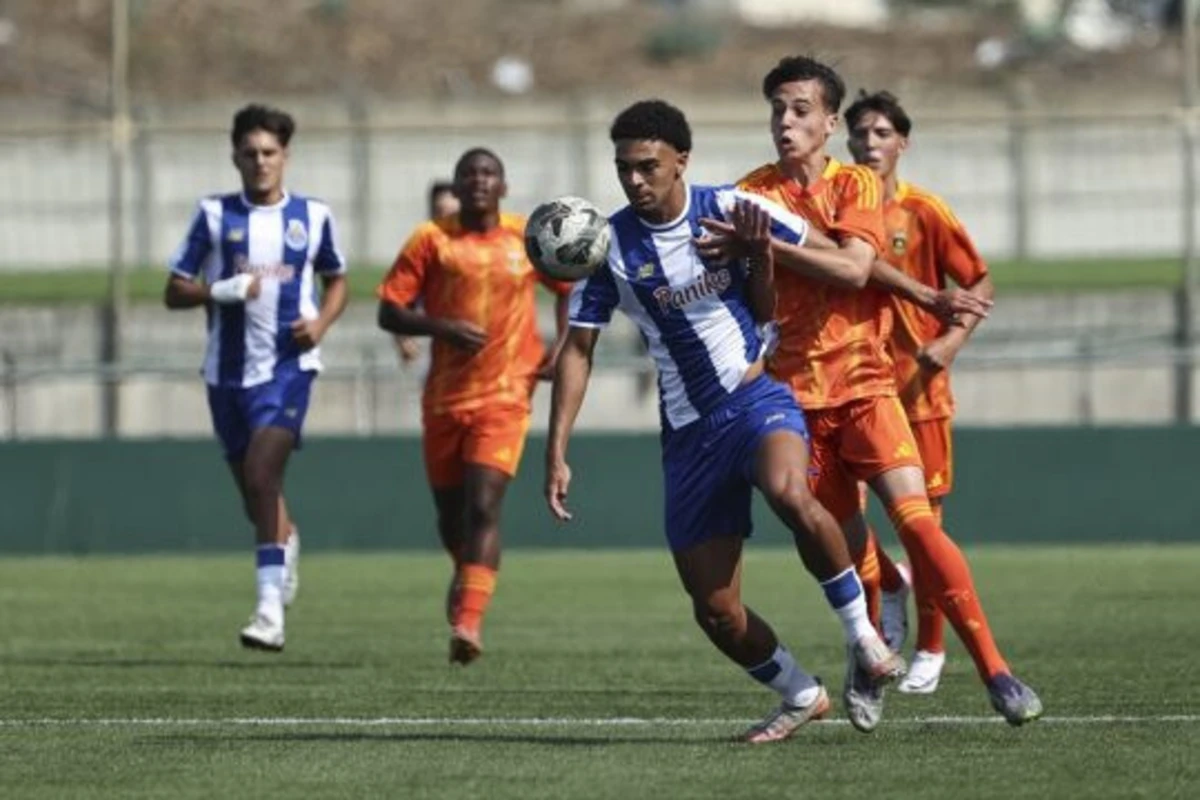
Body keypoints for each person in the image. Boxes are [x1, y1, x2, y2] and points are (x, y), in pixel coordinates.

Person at [545, 99, 904, 745]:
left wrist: (761, 253)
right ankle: (801, 693)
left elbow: (842, 261)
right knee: (715, 611)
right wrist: (556, 451)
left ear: (682, 160)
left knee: (791, 491)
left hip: (756, 397)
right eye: (624, 168)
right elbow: (578, 348)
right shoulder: (610, 248)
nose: (634, 180)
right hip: (687, 434)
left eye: (647, 166)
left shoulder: (736, 209)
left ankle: (865, 638)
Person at [726, 55, 1040, 729]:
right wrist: (753, 260)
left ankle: (995, 669)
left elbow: (853, 271)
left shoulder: (858, 186)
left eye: (801, 110)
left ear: (830, 122)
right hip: (794, 401)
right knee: (845, 546)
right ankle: (867, 650)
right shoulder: (750, 192)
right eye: (777, 110)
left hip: (869, 382)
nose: (786, 122)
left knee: (919, 521)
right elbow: (758, 301)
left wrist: (771, 246)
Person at [164, 103, 349, 652]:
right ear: (235, 158)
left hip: (289, 371)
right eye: (250, 154)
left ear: (285, 156)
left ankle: (269, 612)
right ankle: (284, 544)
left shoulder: (313, 216)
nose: (260, 162)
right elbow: (174, 288)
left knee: (264, 475)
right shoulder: (215, 216)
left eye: (269, 152)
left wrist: (321, 324)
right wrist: (216, 290)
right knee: (255, 493)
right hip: (225, 375)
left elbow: (338, 279)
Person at [377, 148, 570, 665]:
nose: (479, 182)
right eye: (469, 175)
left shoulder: (526, 237)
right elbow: (389, 311)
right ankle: (467, 575)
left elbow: (570, 288)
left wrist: (561, 346)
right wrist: (440, 327)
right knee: (450, 516)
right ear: (456, 186)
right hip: (444, 398)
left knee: (484, 505)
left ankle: (468, 623)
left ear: (503, 186)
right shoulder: (431, 239)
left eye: (489, 174)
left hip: (508, 394)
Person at [846, 89, 996, 694]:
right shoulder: (840, 207)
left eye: (882, 133)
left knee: (925, 527)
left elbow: (979, 279)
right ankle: (889, 587)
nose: (870, 143)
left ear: (902, 142)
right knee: (843, 522)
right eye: (860, 133)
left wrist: (951, 343)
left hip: (920, 395)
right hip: (853, 389)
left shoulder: (924, 211)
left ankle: (932, 649)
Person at [394, 182, 461, 367]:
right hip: (436, 354)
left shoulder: (486, 250)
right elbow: (398, 301)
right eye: (441, 213)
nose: (448, 221)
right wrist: (402, 338)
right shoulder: (422, 255)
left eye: (454, 214)